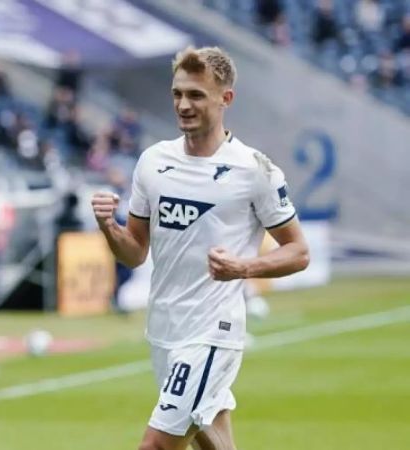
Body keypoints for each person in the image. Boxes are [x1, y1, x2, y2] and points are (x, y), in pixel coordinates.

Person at [91, 46, 310, 450]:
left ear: (226, 99)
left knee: (156, 445)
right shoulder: (153, 162)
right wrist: (109, 227)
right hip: (163, 329)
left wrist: (243, 268)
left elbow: (298, 251)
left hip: (212, 331)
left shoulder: (254, 170)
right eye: (178, 94)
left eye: (196, 95)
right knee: (212, 443)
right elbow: (135, 252)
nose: (183, 105)